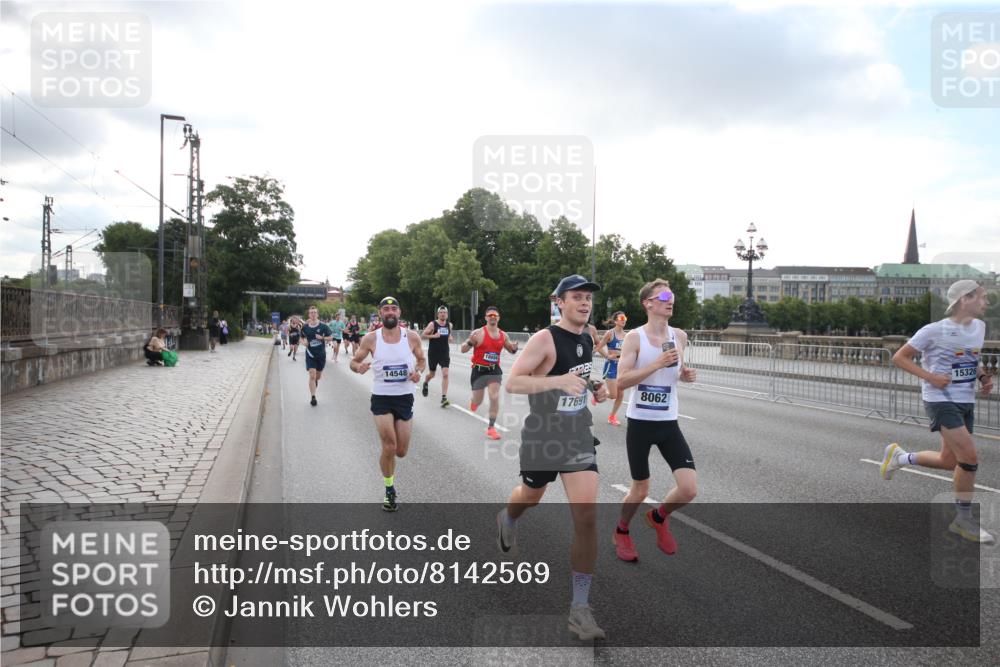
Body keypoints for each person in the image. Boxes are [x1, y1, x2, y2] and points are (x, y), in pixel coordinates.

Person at [496, 275, 608, 641]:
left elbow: (578, 377)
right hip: (543, 437)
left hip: (577, 434)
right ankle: (508, 517)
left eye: (588, 298)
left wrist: (595, 387)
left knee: (587, 516)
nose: (584, 303)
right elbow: (514, 382)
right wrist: (557, 382)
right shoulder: (544, 339)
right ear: (558, 302)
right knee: (530, 497)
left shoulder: (587, 337)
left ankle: (580, 608)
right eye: (576, 297)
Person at [880, 280, 995, 544]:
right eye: (982, 297)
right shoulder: (933, 330)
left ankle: (900, 457)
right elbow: (900, 357)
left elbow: (971, 357)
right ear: (965, 299)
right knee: (969, 458)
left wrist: (983, 376)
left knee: (949, 461)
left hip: (965, 400)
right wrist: (930, 376)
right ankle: (963, 520)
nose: (986, 302)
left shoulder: (979, 327)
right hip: (940, 399)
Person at [612, 280, 698, 563]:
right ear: (648, 303)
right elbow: (621, 381)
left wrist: (684, 374)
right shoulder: (634, 338)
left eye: (671, 296)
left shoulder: (680, 336)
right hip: (640, 422)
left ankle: (659, 517)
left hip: (668, 422)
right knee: (640, 489)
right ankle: (622, 530)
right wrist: (655, 364)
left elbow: (676, 371)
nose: (669, 299)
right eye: (663, 296)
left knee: (688, 489)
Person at [350, 296, 426, 512]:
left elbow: (421, 360)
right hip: (381, 397)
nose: (390, 312)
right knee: (389, 446)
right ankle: (389, 489)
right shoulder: (371, 339)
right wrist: (359, 367)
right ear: (380, 313)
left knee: (401, 451)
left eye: (394, 309)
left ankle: (390, 476)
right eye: (386, 309)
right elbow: (353, 362)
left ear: (399, 313)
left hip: (404, 398)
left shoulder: (411, 337)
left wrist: (418, 372)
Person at [462, 306, 519, 440]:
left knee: (494, 397)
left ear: (498, 318)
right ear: (486, 318)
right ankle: (474, 402)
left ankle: (491, 428)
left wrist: (515, 348)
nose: (493, 317)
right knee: (479, 400)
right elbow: (463, 349)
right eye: (490, 315)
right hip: (479, 370)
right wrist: (470, 342)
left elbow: (511, 350)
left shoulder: (503, 335)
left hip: (494, 370)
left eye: (495, 315)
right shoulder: (478, 333)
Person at [595, 311, 628, 425]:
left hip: (622, 368)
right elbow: (599, 347)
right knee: (613, 395)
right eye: (621, 318)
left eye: (625, 318)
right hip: (611, 366)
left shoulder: (626, 336)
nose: (624, 320)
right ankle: (598, 395)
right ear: (615, 321)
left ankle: (612, 416)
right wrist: (607, 356)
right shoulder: (610, 333)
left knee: (621, 394)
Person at [421, 306, 454, 408]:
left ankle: (444, 397)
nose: (443, 314)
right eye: (441, 312)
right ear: (438, 314)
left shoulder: (449, 325)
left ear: (447, 315)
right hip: (433, 353)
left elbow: (449, 335)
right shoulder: (433, 324)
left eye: (445, 312)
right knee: (432, 374)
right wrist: (433, 336)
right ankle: (426, 382)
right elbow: (423, 335)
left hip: (444, 353)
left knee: (445, 374)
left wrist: (450, 337)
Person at [301, 306, 333, 406]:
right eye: (311, 313)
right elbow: (301, 337)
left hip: (321, 355)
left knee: (317, 376)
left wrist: (322, 338)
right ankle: (313, 397)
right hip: (310, 354)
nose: (313, 314)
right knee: (312, 375)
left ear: (317, 314)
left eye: (315, 312)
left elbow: (331, 337)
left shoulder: (323, 326)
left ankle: (315, 381)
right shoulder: (305, 327)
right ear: (309, 315)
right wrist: (304, 342)